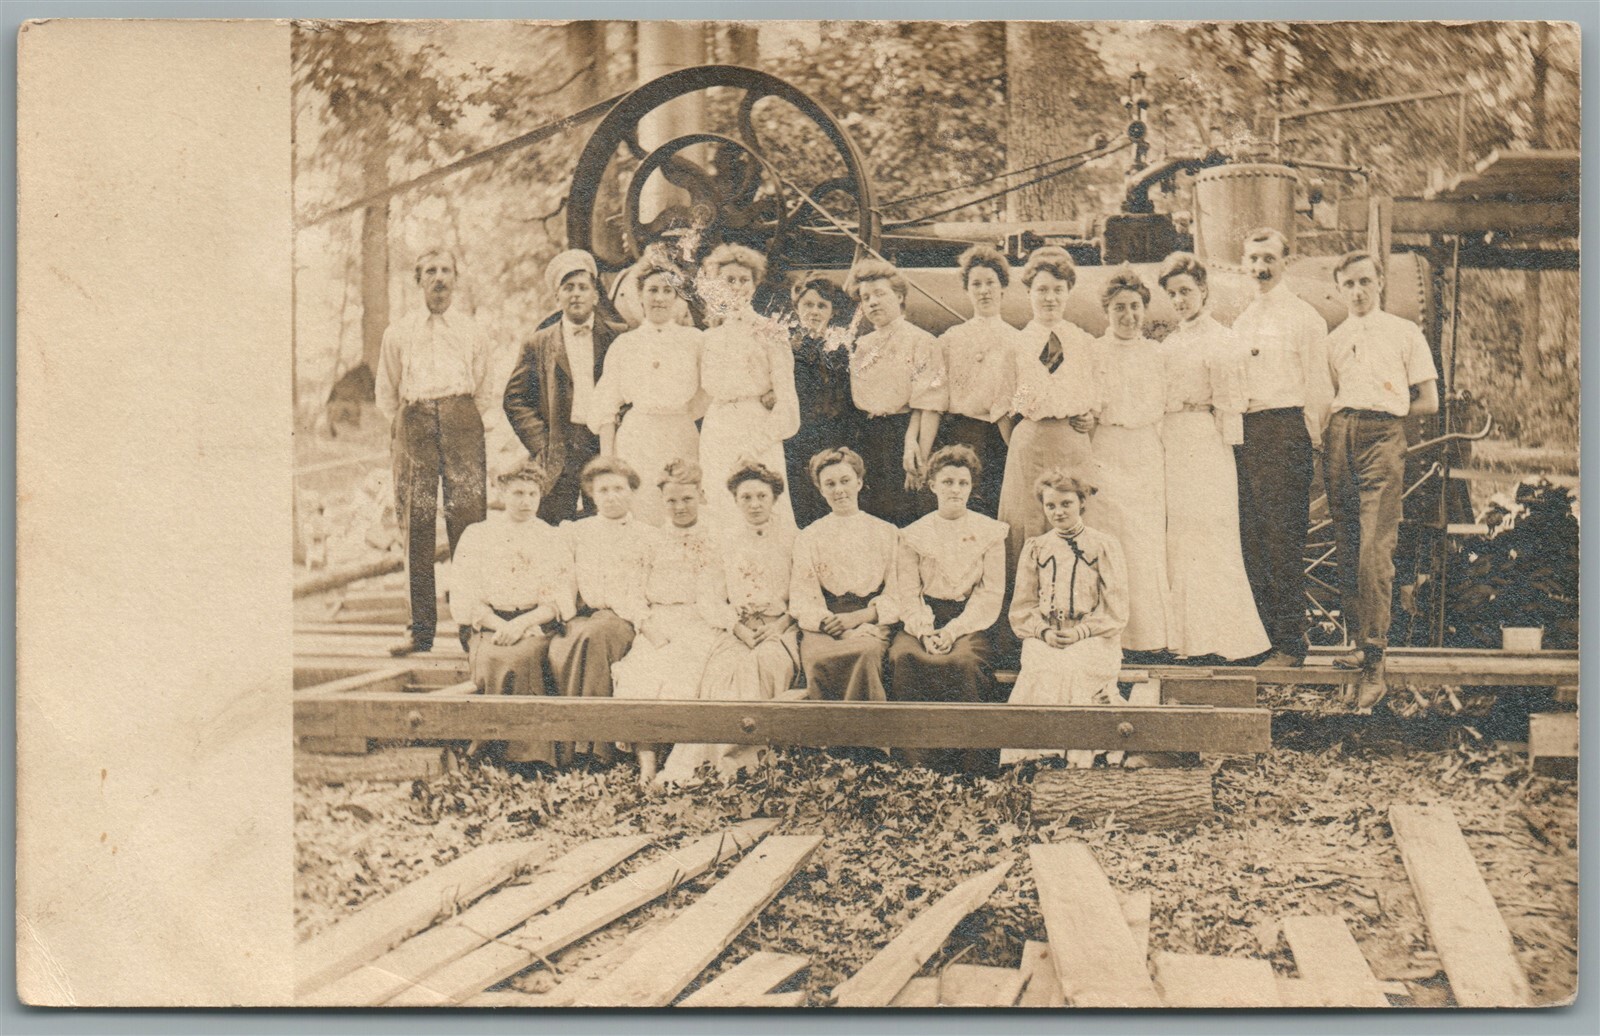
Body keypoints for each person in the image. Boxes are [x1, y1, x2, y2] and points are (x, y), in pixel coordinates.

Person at [1324, 251, 1439, 710]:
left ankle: (1375, 660)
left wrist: (1389, 412)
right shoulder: (1334, 339)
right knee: (1347, 543)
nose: (1357, 291)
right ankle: (1355, 648)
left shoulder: (1404, 332)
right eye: (1349, 284)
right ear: (1340, 287)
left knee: (1375, 548)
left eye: (1365, 282)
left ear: (1380, 283)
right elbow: (1332, 395)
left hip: (1382, 438)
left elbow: (1428, 400)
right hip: (1340, 435)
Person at [375, 248, 494, 655]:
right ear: (418, 280)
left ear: (456, 279)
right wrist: (412, 423)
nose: (439, 278)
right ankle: (419, 630)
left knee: (469, 524)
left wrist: (460, 417)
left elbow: (485, 389)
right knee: (417, 524)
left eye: (446, 271)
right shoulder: (398, 332)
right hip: (415, 425)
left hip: (462, 421)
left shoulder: (473, 331)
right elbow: (386, 393)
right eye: (430, 271)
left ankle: (471, 627)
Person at [659, 460, 803, 785]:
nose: (754, 504)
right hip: (737, 628)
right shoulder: (724, 541)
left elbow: (803, 593)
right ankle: (716, 764)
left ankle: (754, 763)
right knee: (721, 671)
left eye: (761, 497)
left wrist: (778, 626)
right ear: (736, 501)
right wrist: (735, 626)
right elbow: (709, 595)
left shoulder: (793, 539)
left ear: (774, 498)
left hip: (780, 628)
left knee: (766, 663)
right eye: (746, 498)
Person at [1157, 253, 1271, 663]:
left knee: (1210, 536)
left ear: (1203, 291)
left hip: (1206, 443)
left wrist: (1226, 459)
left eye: (1186, 291)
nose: (1180, 300)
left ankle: (1224, 638)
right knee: (1179, 539)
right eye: (1173, 294)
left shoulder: (1222, 339)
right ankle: (1185, 639)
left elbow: (1230, 404)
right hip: (1171, 441)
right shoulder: (1170, 342)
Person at [1231, 227, 1334, 667]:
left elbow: (1319, 388)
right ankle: (1263, 641)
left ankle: (1292, 644)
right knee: (1250, 541)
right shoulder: (1243, 319)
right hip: (1247, 434)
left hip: (1285, 432)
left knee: (1282, 542)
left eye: (1269, 259)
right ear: (1243, 265)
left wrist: (1307, 443)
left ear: (1285, 262)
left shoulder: (1304, 318)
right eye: (1253, 260)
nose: (1260, 268)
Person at [889, 445, 1009, 772]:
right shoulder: (914, 535)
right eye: (947, 482)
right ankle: (916, 766)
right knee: (905, 657)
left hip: (971, 621)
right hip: (923, 619)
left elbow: (989, 594)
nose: (955, 490)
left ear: (971, 487)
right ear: (932, 485)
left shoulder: (990, 532)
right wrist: (926, 632)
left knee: (965, 662)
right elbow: (908, 593)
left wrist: (953, 630)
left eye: (962, 483)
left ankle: (969, 767)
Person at [450, 461, 575, 774]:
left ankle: (529, 755)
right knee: (493, 657)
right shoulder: (478, 534)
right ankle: (490, 746)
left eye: (532, 493)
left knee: (523, 658)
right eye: (517, 493)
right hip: (487, 623)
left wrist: (521, 623)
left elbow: (558, 595)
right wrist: (499, 624)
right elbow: (466, 594)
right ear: (501, 493)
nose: (525, 501)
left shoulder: (550, 536)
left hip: (533, 623)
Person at [1001, 471, 1128, 768]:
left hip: (1095, 638)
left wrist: (1081, 632)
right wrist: (1043, 632)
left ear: (1082, 502)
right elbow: (1022, 607)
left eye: (1066, 504)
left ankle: (1078, 758)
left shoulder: (1104, 545)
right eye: (1051, 506)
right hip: (1047, 635)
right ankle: (1036, 757)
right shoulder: (1036, 547)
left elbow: (1116, 610)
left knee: (1072, 668)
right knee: (1041, 667)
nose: (1058, 512)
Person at [610, 459, 720, 785]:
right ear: (662, 501)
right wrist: (648, 626)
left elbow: (716, 597)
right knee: (639, 673)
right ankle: (647, 763)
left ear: (700, 495)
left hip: (701, 621)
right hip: (657, 620)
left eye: (687, 498)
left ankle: (678, 765)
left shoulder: (715, 539)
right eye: (671, 500)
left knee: (686, 677)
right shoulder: (650, 541)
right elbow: (629, 593)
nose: (680, 507)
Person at [997, 246, 1099, 571]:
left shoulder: (1083, 342)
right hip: (1029, 444)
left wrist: (1088, 416)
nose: (1050, 298)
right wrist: (1022, 438)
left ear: (1069, 292)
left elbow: (1094, 394)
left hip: (1072, 443)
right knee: (1028, 522)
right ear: (1028, 292)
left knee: (1073, 521)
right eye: (1042, 290)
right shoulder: (1015, 344)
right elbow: (1002, 407)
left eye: (1058, 290)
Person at [549, 456, 655, 766]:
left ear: (632, 491)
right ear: (593, 495)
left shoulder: (648, 536)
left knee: (598, 636)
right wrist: (567, 615)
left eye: (619, 488)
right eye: (604, 490)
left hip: (626, 616)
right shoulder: (578, 532)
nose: (611, 496)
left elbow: (647, 587)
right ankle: (571, 745)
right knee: (569, 641)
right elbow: (563, 575)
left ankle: (595, 749)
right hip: (584, 614)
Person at [1091, 268, 1174, 657]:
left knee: (1144, 544)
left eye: (1135, 306)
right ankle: (1111, 636)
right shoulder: (1092, 353)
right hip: (1106, 449)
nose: (1128, 315)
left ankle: (1147, 637)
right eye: (1119, 307)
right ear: (1106, 311)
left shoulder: (1157, 354)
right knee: (1110, 542)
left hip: (1144, 451)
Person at [503, 249, 619, 524]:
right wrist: (542, 442)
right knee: (553, 527)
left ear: (595, 295)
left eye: (582, 287)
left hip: (603, 445)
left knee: (603, 523)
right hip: (559, 448)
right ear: (557, 297)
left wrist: (617, 431)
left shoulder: (618, 336)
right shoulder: (538, 343)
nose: (576, 294)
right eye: (568, 288)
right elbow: (515, 398)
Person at [590, 252, 706, 527]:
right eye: (652, 290)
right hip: (637, 438)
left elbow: (710, 392)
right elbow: (605, 404)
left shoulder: (695, 341)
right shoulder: (625, 345)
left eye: (668, 291)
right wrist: (609, 463)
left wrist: (685, 413)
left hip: (681, 433)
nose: (659, 298)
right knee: (641, 510)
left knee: (681, 506)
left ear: (679, 299)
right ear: (640, 296)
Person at [697, 244, 801, 534]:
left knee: (763, 512)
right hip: (717, 429)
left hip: (757, 430)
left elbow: (787, 405)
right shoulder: (709, 337)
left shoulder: (770, 332)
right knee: (720, 510)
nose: (737, 287)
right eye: (729, 280)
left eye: (744, 280)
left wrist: (755, 445)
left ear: (755, 286)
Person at [791, 448, 901, 703]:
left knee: (866, 652)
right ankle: (825, 741)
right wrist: (827, 622)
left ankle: (865, 742)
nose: (839, 490)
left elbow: (898, 591)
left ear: (859, 483)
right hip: (826, 624)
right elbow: (802, 595)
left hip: (870, 621)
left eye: (845, 481)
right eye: (830, 484)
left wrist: (861, 618)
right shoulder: (809, 536)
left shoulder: (886, 532)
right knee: (820, 659)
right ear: (821, 490)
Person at [844, 258, 946, 525]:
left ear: (899, 296)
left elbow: (929, 404)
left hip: (903, 438)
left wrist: (919, 458)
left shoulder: (922, 341)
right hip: (866, 438)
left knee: (903, 516)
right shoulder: (862, 346)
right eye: (866, 298)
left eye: (880, 293)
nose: (872, 302)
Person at [933, 246, 1018, 517]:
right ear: (967, 290)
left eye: (991, 283)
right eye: (976, 284)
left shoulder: (1018, 340)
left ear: (1003, 287)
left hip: (1001, 437)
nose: (984, 291)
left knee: (996, 508)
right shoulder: (950, 339)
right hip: (959, 435)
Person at [785, 277, 858, 527]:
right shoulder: (784, 347)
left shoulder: (841, 350)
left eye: (821, 306)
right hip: (796, 435)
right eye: (808, 305)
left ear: (831, 311)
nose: (814, 311)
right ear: (797, 308)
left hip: (832, 434)